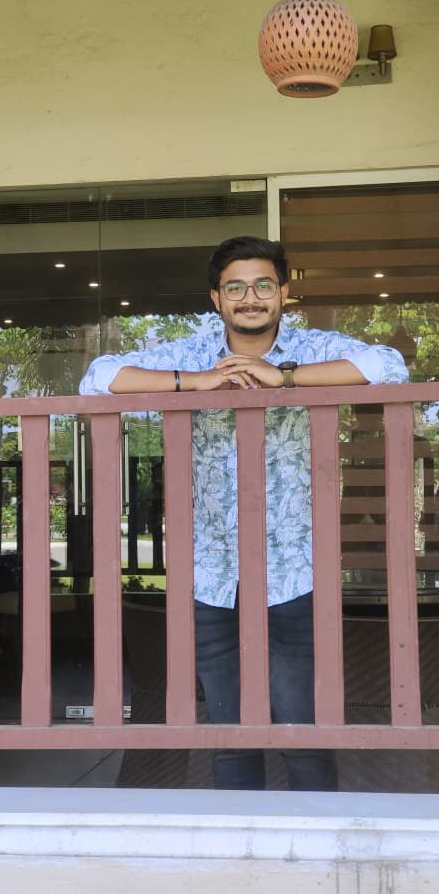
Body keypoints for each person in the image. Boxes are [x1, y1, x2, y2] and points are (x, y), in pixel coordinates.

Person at [79, 235, 408, 791]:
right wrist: (195, 383)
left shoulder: (312, 347)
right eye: (235, 288)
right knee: (229, 734)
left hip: (296, 568)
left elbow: (389, 366)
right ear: (216, 298)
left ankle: (313, 839)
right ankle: (241, 839)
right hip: (213, 570)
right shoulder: (193, 353)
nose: (249, 298)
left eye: (262, 285)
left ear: (283, 293)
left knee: (304, 731)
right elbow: (98, 378)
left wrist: (285, 377)